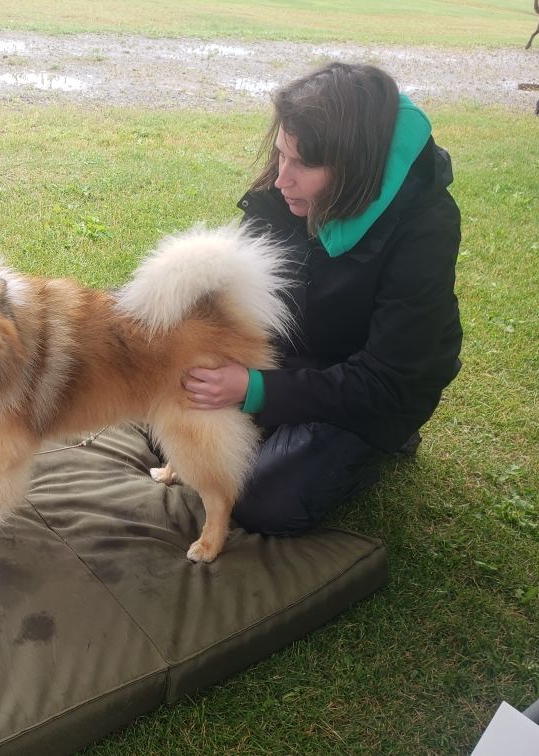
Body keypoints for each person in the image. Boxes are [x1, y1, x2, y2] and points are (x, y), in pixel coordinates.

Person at [182, 62, 463, 536]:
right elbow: (236, 291)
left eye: (302, 165)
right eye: (280, 157)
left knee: (259, 499)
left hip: (373, 387)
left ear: (356, 166)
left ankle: (377, 449)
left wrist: (253, 389)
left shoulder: (425, 227)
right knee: (177, 432)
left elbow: (388, 377)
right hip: (294, 356)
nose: (279, 180)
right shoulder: (287, 186)